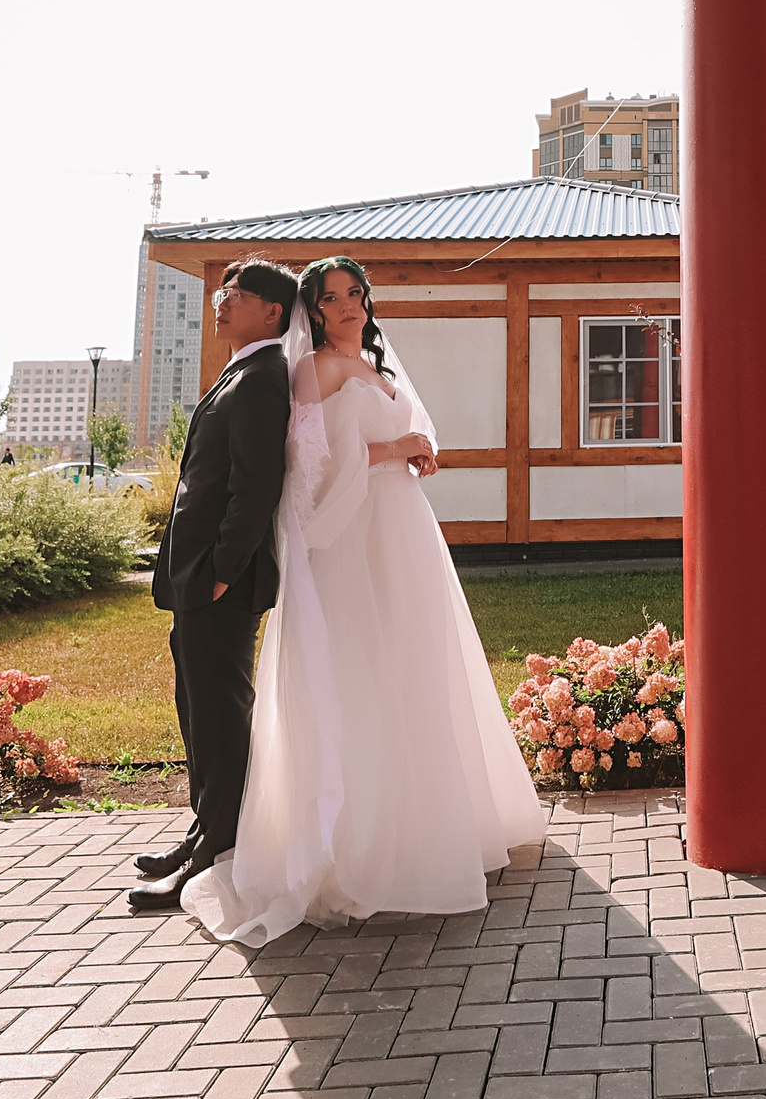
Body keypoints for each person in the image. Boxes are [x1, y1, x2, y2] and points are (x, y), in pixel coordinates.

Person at [180, 255, 544, 941]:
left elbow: (412, 424)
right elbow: (309, 471)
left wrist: (421, 445)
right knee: (358, 677)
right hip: (348, 542)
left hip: (402, 536)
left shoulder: (378, 361)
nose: (350, 305)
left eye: (356, 293)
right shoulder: (313, 370)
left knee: (412, 669)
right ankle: (356, 845)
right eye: (334, 298)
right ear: (312, 311)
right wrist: (392, 447)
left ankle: (427, 826)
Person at [128, 256, 298, 912]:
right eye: (223, 290)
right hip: (196, 576)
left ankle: (221, 858)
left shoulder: (262, 379)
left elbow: (255, 488)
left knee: (221, 717)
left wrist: (224, 572)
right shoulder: (240, 370)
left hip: (220, 581)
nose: (221, 301)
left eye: (237, 293)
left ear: (272, 312)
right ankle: (204, 829)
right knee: (198, 708)